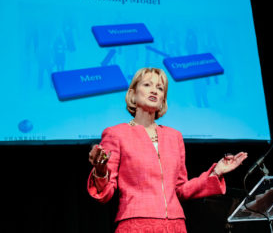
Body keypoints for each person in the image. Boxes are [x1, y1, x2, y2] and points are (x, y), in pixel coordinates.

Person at [88, 67, 248, 233]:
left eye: (160, 88)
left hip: (175, 225)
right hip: (136, 224)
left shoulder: (174, 137)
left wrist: (216, 172)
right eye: (147, 85)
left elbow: (181, 190)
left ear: (163, 99)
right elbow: (105, 192)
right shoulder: (116, 134)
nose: (154, 91)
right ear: (133, 94)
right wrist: (100, 171)